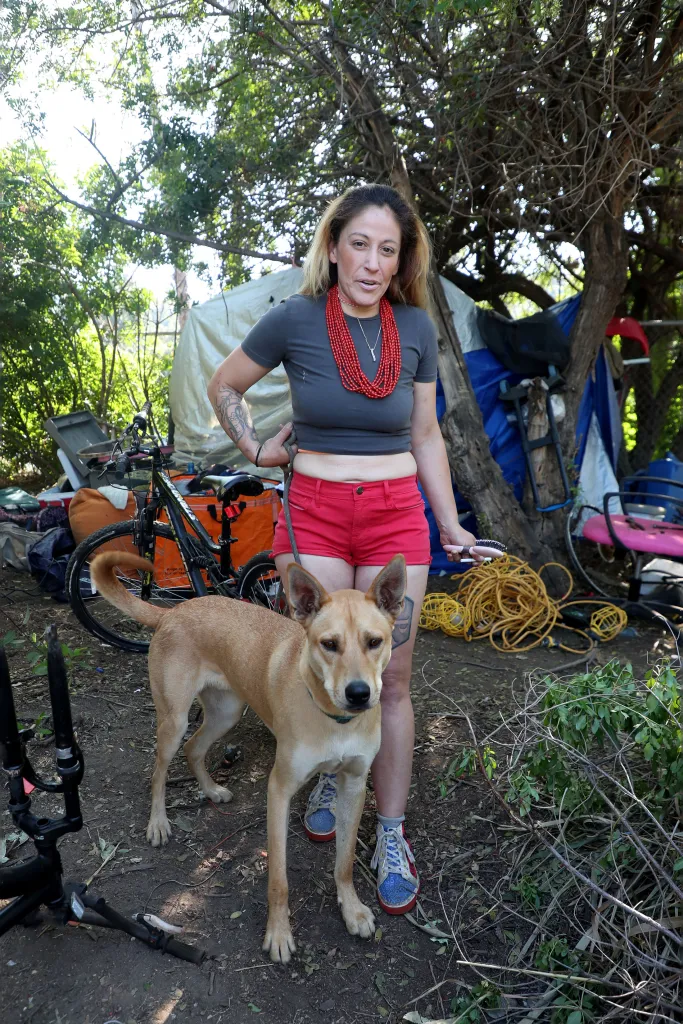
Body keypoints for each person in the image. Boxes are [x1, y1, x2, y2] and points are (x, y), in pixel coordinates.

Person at [207, 184, 483, 915]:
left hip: (396, 515)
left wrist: (449, 523)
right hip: (317, 512)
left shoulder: (416, 328)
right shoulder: (294, 319)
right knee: (318, 665)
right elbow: (224, 383)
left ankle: (388, 832)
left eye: (386, 249)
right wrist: (254, 445)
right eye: (358, 244)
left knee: (390, 680)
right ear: (332, 247)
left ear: (401, 261)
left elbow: (424, 434)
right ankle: (327, 769)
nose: (371, 261)